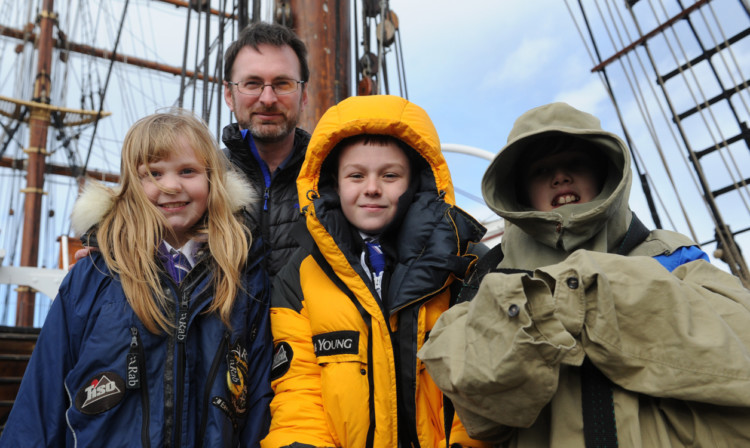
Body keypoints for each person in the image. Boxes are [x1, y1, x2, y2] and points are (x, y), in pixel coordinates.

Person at [418, 102, 750, 447]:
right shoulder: (489, 278)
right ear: (519, 189)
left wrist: (576, 290)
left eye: (575, 163)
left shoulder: (668, 254)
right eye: (540, 170)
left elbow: (741, 344)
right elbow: (477, 404)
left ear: (603, 171)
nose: (559, 177)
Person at [0, 109, 272, 447]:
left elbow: (260, 394)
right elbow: (41, 401)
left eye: (187, 171)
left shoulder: (243, 277)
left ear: (212, 179)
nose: (171, 185)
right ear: (131, 185)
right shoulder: (93, 276)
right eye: (153, 173)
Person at [262, 95, 489, 448]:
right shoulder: (301, 276)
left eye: (390, 175)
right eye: (356, 175)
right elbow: (300, 393)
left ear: (416, 182)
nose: (372, 187)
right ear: (332, 184)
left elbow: (483, 386)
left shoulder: (466, 264)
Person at [222, 21, 311, 279]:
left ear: (304, 95)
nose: (268, 99)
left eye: (283, 83)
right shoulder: (203, 178)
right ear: (229, 95)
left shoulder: (335, 179)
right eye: (252, 83)